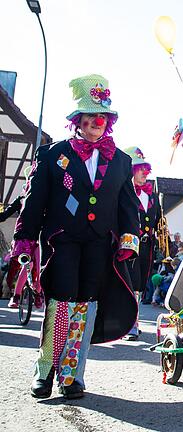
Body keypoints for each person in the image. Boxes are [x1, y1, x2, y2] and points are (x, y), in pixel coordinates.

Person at [11, 74, 140, 399]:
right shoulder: (52, 155)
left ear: (108, 122)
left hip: (99, 243)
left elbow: (128, 206)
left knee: (86, 307)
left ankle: (71, 376)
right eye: (90, 116)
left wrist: (129, 238)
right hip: (62, 241)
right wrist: (25, 237)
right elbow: (34, 199)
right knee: (62, 304)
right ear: (77, 121)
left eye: (103, 117)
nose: (97, 123)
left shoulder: (121, 161)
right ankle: (45, 371)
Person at [124, 147, 162, 338]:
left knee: (138, 284)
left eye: (146, 168)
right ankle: (130, 323)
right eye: (140, 168)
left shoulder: (153, 196)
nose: (144, 172)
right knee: (129, 283)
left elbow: (158, 222)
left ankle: (132, 321)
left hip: (147, 246)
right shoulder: (125, 192)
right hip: (128, 245)